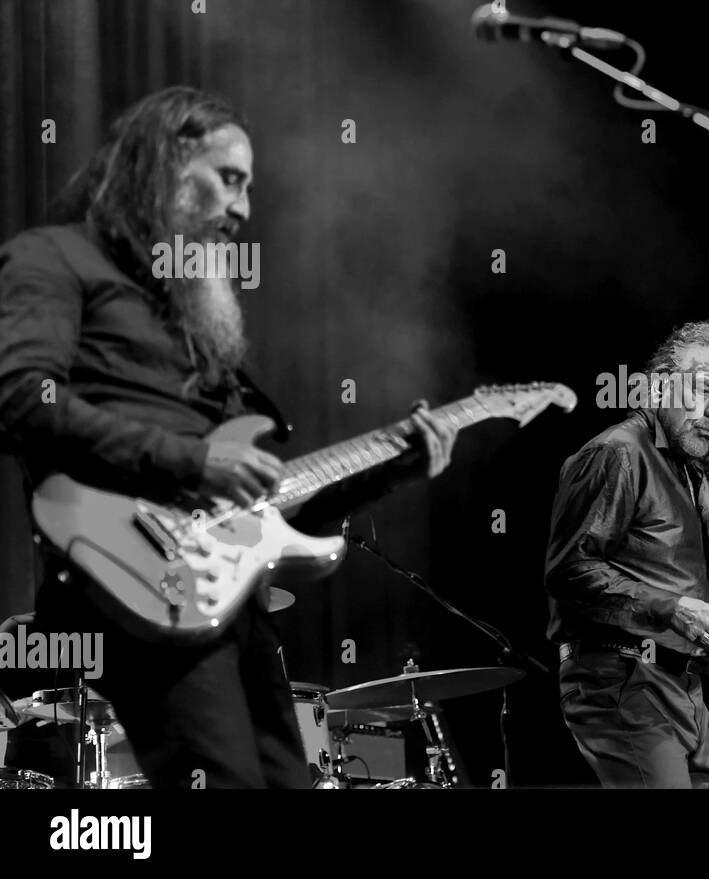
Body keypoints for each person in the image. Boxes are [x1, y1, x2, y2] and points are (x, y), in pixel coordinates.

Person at [0, 86, 458, 788]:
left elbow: (265, 495)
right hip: (126, 574)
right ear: (164, 165)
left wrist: (396, 465)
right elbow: (21, 400)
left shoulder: (190, 317)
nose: (243, 209)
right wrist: (194, 459)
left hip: (228, 596)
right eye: (229, 179)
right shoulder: (54, 258)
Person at [545, 321, 709, 788]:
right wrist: (672, 609)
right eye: (705, 390)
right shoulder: (619, 452)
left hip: (684, 688)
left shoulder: (697, 479)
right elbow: (568, 570)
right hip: (621, 679)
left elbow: (704, 605)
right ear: (662, 383)